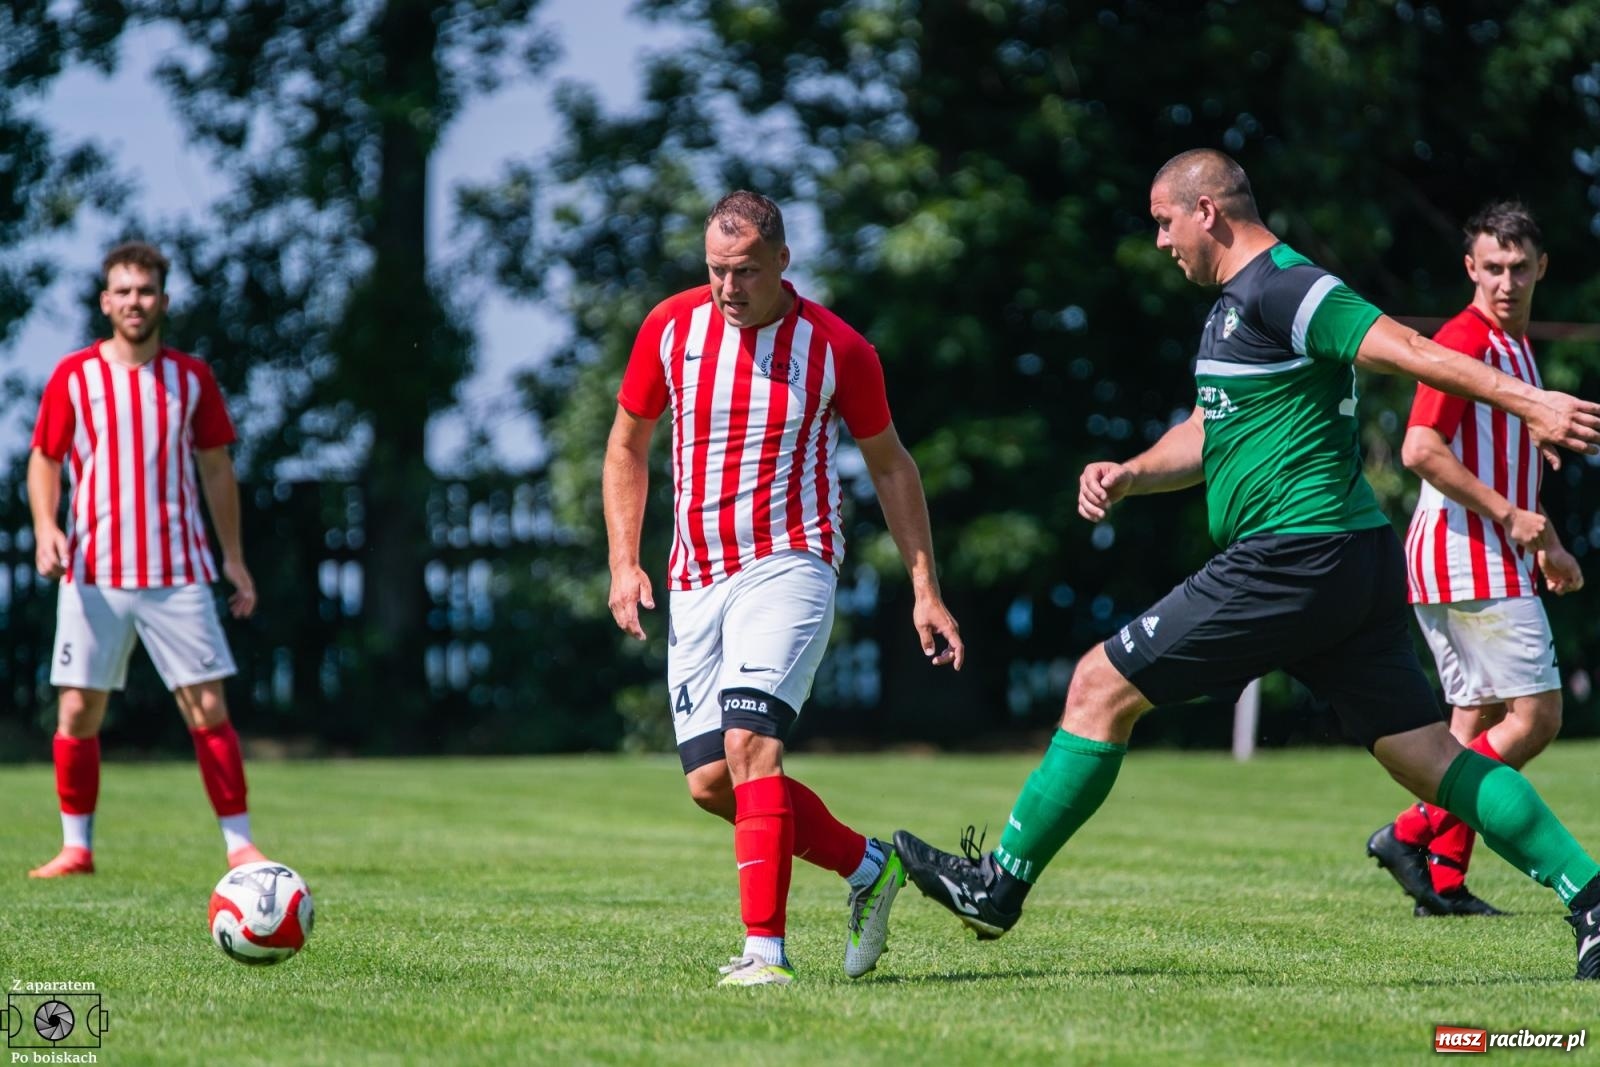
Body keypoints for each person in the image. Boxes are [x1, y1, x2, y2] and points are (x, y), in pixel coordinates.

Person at [892, 150, 1600, 981]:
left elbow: (1404, 347)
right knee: (1433, 759)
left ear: (1208, 212)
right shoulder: (1235, 308)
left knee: (1097, 684)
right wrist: (1130, 473)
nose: (1160, 241)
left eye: (1164, 221)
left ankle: (995, 888)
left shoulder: (1284, 286)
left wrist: (1533, 400)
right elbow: (1209, 429)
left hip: (1294, 555)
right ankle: (1591, 899)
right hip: (1344, 560)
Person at [604, 191, 964, 986]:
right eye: (715, 270)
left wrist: (924, 589)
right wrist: (623, 560)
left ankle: (763, 952)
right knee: (710, 783)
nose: (728, 287)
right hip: (694, 573)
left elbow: (892, 465)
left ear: (782, 263)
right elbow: (627, 444)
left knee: (751, 746)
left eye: (745, 271)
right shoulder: (669, 327)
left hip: (791, 563)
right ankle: (870, 865)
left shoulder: (838, 348)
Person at [27, 241, 271, 878]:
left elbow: (217, 467)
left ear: (163, 299)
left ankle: (239, 843)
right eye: (123, 291)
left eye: (146, 291)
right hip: (93, 573)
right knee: (78, 709)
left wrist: (235, 558)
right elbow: (45, 458)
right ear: (106, 301)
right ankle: (76, 847)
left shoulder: (191, 379)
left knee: (207, 706)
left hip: (177, 572)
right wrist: (46, 527)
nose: (135, 302)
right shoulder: (74, 376)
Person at [1367, 202, 1584, 917]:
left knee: (1473, 720)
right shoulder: (1465, 337)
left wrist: (1542, 533)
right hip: (1465, 554)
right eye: (1492, 266)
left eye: (1520, 267)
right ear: (1470, 268)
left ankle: (1443, 878)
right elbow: (1419, 449)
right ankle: (1409, 832)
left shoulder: (1515, 347)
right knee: (1538, 717)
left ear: (1541, 268)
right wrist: (1519, 518)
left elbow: (1494, 451)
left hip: (1479, 552)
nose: (1507, 280)